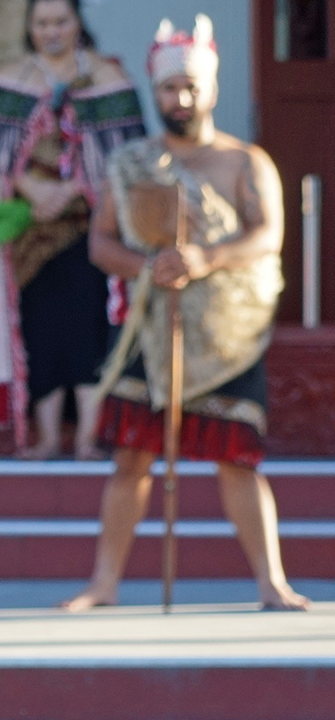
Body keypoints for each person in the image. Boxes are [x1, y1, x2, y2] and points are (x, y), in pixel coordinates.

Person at [63, 14, 310, 612]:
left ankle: (271, 584)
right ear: (157, 91)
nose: (182, 98)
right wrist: (151, 267)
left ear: (212, 89)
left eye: (192, 86)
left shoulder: (245, 162)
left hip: (228, 333)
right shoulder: (133, 163)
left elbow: (267, 235)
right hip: (152, 327)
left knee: (238, 458)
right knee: (132, 458)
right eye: (171, 88)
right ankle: (104, 585)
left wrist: (204, 257)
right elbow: (102, 244)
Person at [0, 0, 147, 459]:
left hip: (91, 230)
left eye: (61, 21)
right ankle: (48, 438)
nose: (51, 31)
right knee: (42, 331)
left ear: (78, 24)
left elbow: (128, 160)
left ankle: (89, 437)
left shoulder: (109, 79)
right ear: (30, 28)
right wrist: (30, 189)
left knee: (89, 330)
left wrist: (72, 191)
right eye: (42, 22)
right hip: (29, 235)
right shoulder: (9, 82)